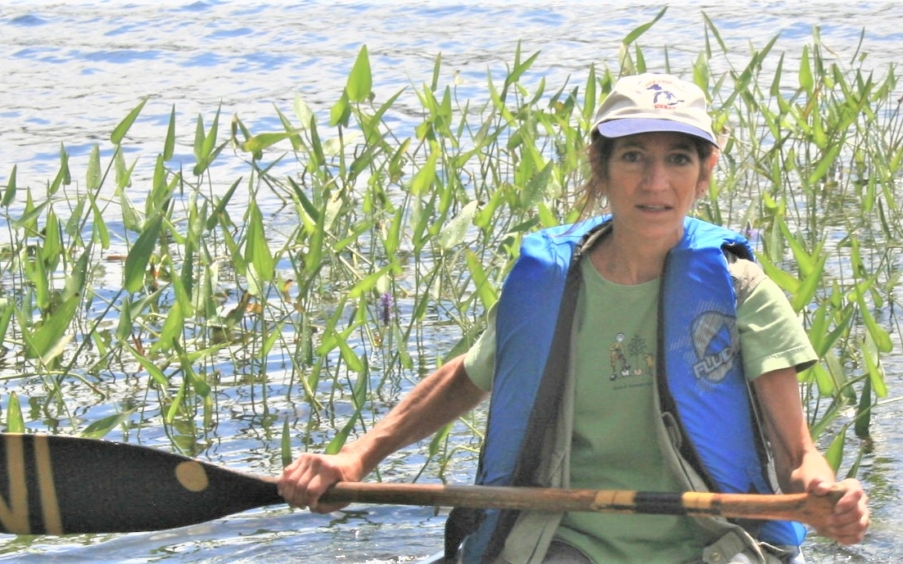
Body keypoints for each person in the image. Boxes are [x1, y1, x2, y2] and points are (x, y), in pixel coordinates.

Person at [277, 73, 869, 563]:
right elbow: (469, 375)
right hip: (569, 538)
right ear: (601, 165)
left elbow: (798, 457)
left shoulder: (741, 290)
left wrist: (826, 493)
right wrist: (358, 456)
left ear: (705, 171)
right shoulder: (550, 283)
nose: (655, 182)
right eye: (633, 156)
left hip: (711, 542)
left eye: (678, 159)